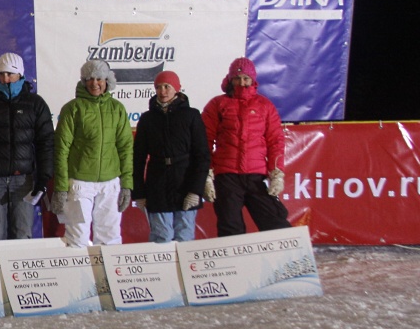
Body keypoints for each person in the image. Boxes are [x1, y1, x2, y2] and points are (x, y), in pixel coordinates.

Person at [201, 57, 290, 236]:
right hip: (227, 176)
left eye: (246, 79)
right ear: (230, 79)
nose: (242, 83)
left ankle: (285, 261)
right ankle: (234, 264)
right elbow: (205, 141)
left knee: (274, 222)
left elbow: (275, 142)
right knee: (230, 226)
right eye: (237, 78)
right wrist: (206, 174)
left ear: (253, 80)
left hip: (256, 176)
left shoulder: (265, 105)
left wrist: (277, 174)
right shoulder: (218, 104)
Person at [50, 60, 134, 246]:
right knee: (77, 237)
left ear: (107, 81)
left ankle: (108, 275)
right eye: (89, 79)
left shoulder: (117, 109)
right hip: (80, 185)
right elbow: (61, 150)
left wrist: (126, 185)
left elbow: (126, 148)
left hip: (110, 184)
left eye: (99, 78)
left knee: (110, 237)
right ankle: (78, 274)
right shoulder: (73, 109)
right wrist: (61, 188)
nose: (94, 83)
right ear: (83, 81)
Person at [0, 53, 54, 240]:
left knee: (23, 234)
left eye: (10, 74)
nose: (5, 79)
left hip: (23, 180)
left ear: (20, 74)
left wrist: (43, 178)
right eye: (1, 74)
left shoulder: (35, 103)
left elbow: (46, 143)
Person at [132, 71, 211, 242]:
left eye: (167, 86)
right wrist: (138, 192)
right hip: (157, 184)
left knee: (185, 235)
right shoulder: (147, 119)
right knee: (162, 236)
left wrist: (196, 190)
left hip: (185, 182)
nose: (163, 91)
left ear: (177, 88)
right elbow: (137, 159)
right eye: (158, 87)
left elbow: (202, 156)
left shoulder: (191, 116)